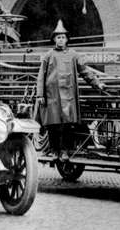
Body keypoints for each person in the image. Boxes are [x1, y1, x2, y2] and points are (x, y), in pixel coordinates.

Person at [36, 20, 106, 159]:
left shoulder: (74, 55)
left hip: (68, 96)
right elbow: (41, 76)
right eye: (58, 37)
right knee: (53, 125)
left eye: (63, 37)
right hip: (52, 96)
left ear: (67, 39)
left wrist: (97, 83)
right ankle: (54, 151)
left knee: (67, 126)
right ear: (54, 39)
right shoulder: (48, 55)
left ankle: (64, 151)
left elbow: (85, 71)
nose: (61, 40)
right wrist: (40, 95)